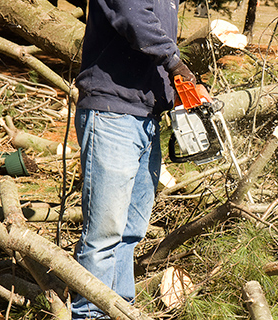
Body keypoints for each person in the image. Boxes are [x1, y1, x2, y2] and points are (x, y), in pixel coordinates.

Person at [72, 0, 195, 318]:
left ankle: (120, 308)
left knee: (131, 230)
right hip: (112, 111)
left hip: (146, 115)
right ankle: (89, 313)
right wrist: (176, 64)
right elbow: (133, 16)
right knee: (104, 232)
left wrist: (178, 89)